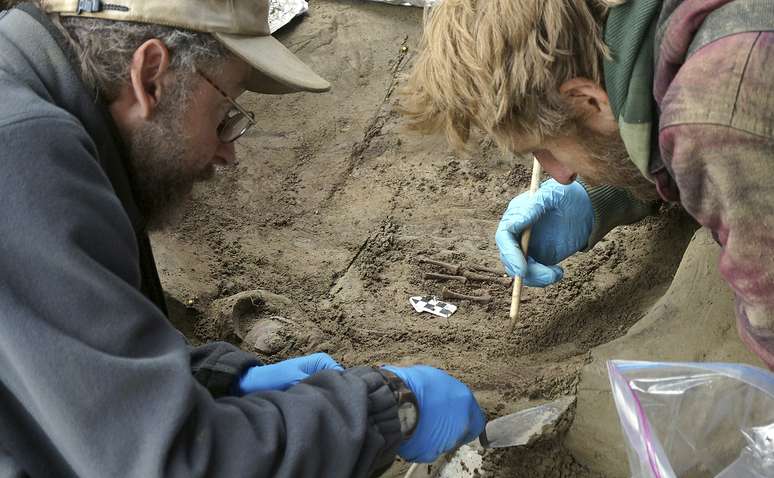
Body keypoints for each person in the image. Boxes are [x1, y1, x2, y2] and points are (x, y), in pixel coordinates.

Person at [0, 1, 486, 477]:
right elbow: (174, 463)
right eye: (224, 113)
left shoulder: (30, 106)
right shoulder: (24, 157)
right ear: (150, 76)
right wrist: (391, 407)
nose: (227, 151)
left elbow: (69, 375)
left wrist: (217, 381)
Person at [401, 0, 774, 367]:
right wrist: (599, 198)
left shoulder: (719, 116)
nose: (560, 175)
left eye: (545, 149)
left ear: (585, 100)